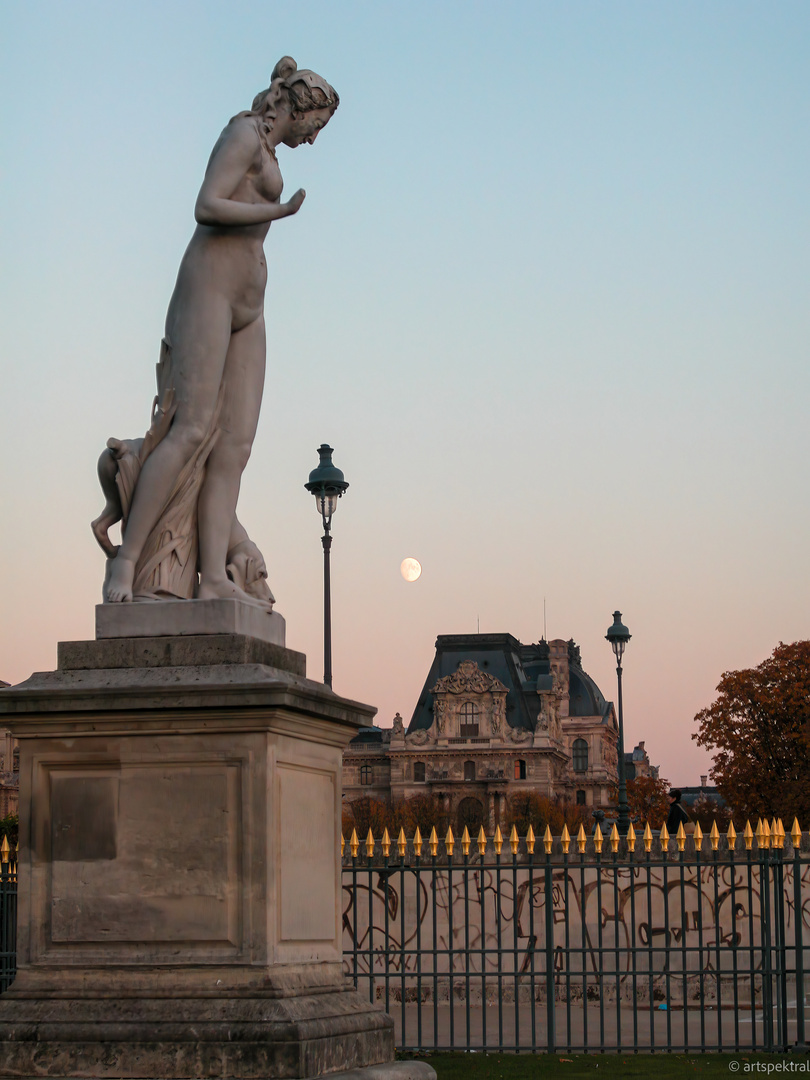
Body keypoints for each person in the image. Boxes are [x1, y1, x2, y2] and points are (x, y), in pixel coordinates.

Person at [100, 57, 338, 607]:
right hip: (208, 287)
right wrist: (277, 211)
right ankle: (128, 561)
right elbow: (205, 205)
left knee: (233, 446)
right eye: (317, 123)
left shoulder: (270, 151)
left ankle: (214, 578)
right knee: (190, 429)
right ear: (298, 106)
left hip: (248, 302)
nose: (315, 136)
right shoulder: (242, 132)